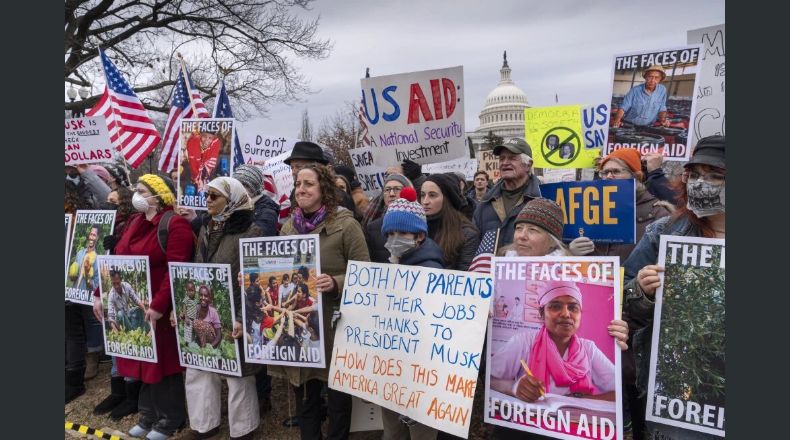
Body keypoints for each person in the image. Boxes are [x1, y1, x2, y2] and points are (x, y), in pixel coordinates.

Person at [489, 198, 630, 440]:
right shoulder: (497, 274)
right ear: (542, 313)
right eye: (519, 228)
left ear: (552, 239)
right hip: (518, 427)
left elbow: (616, 391)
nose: (521, 235)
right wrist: (514, 387)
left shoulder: (589, 349)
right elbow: (490, 378)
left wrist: (617, 331)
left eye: (532, 230)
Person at [623, 136, 725, 440]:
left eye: (715, 176)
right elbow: (624, 300)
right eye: (694, 174)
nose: (700, 184)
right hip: (676, 394)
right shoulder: (664, 232)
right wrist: (642, 291)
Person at [268, 163, 370, 440]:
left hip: (335, 324)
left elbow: (366, 273)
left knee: (337, 397)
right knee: (305, 393)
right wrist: (255, 276)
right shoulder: (289, 228)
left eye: (308, 184)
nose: (300, 189)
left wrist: (336, 281)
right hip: (301, 328)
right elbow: (276, 272)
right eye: (298, 183)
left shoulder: (346, 225)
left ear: (323, 189)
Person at [91, 174, 194, 440]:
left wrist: (159, 305)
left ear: (158, 196)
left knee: (163, 365)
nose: (135, 194)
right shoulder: (136, 222)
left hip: (160, 308)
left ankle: (171, 418)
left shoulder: (175, 225)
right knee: (142, 362)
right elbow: (116, 262)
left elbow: (176, 270)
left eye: (141, 190)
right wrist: (98, 293)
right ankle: (148, 415)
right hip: (136, 309)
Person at [182, 176, 262, 440]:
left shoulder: (251, 231)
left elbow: (255, 280)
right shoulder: (207, 227)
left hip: (237, 310)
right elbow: (196, 268)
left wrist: (241, 316)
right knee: (200, 366)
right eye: (206, 195)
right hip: (207, 304)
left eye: (213, 196)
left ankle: (243, 428)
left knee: (238, 374)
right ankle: (204, 424)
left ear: (233, 199)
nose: (207, 201)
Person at [378, 187, 444, 440]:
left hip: (421, 377)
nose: (395, 238)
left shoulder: (432, 271)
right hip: (391, 371)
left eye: (402, 233)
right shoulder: (391, 265)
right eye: (390, 233)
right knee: (392, 431)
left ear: (419, 236)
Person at [569, 148, 672, 263]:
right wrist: (571, 253)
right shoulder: (588, 209)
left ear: (636, 176)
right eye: (604, 172)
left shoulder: (659, 214)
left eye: (616, 171)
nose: (608, 176)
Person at [65, 168, 109, 403]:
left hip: (84, 264)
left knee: (88, 313)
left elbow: (109, 198)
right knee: (69, 322)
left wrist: (86, 172)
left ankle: (91, 356)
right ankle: (71, 373)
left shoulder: (89, 195)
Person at [473, 138, 541, 248]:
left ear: (528, 165)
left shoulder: (543, 199)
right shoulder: (485, 203)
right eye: (502, 158)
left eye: (512, 158)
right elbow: (473, 246)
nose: (505, 163)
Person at [421, 173, 480, 271]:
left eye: (432, 195)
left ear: (447, 199)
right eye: (423, 195)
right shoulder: (415, 229)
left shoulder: (467, 234)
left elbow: (464, 277)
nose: (425, 201)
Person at [364, 174, 415, 263]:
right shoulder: (372, 228)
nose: (391, 194)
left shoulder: (420, 223)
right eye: (387, 190)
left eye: (397, 189)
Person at [612, 65, 670, 129]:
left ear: (660, 79)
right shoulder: (635, 90)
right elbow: (623, 107)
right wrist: (617, 120)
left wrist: (663, 120)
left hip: (649, 126)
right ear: (645, 77)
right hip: (629, 125)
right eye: (650, 77)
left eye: (656, 78)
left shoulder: (662, 90)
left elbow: (662, 108)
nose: (652, 80)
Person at [233, 164, 280, 237]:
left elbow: (258, 242)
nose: (238, 189)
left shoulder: (267, 213)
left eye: (244, 185)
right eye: (235, 185)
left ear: (253, 187)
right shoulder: (234, 207)